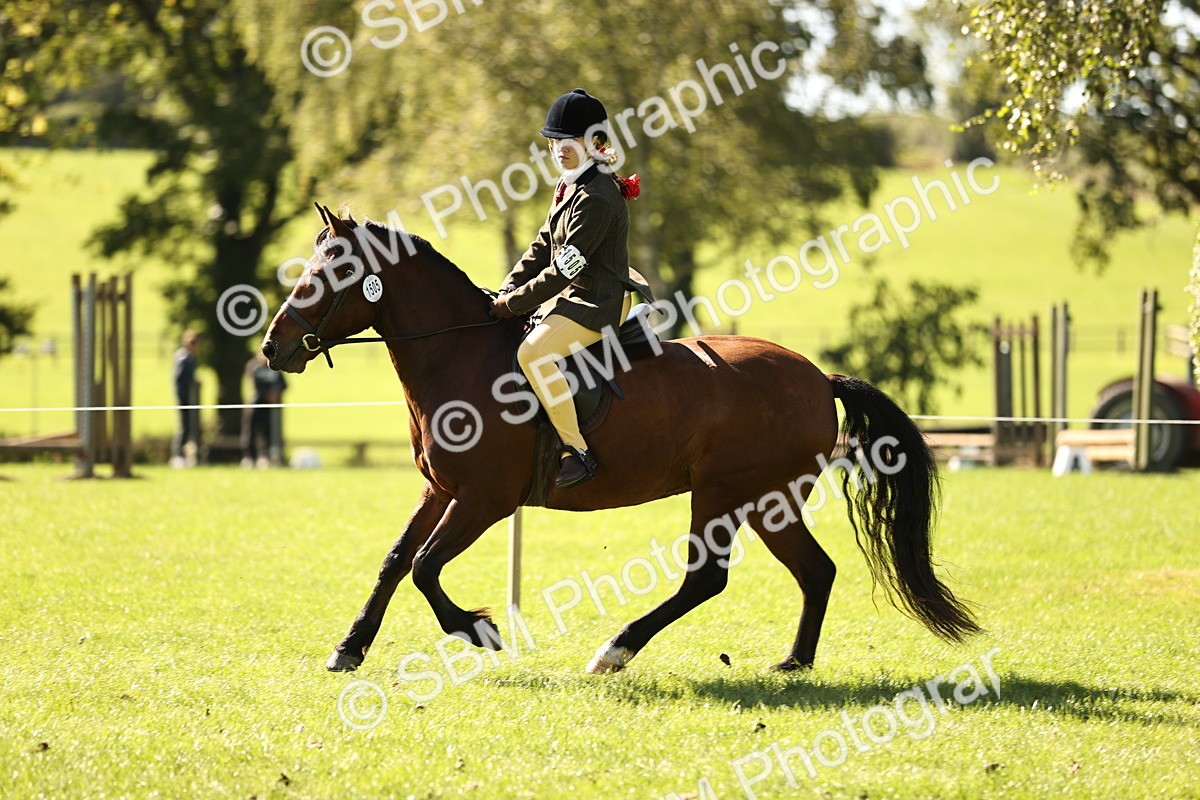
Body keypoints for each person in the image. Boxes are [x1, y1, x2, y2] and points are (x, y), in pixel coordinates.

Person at [490, 88, 654, 488]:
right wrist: (505, 289)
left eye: (571, 140)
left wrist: (512, 305)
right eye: (555, 141)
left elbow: (563, 270)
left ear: (594, 143)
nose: (560, 149)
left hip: (599, 301)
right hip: (575, 293)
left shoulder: (596, 196)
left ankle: (577, 452)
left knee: (532, 353)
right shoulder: (571, 184)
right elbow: (542, 246)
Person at [241, 353, 287, 468]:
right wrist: (267, 395)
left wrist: (277, 393)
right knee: (250, 432)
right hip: (256, 405)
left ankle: (265, 457)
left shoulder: (275, 369)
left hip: (271, 407)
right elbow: (256, 385)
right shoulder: (255, 367)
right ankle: (249, 457)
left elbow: (284, 385)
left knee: (268, 432)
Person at [170, 330, 199, 468]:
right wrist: (192, 381)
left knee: (187, 426)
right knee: (183, 426)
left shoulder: (190, 357)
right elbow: (179, 377)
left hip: (189, 396)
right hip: (183, 396)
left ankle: (184, 455)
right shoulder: (183, 358)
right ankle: (178, 455)